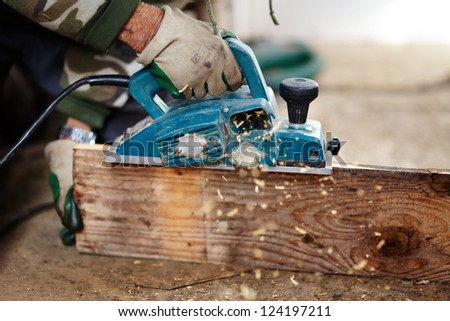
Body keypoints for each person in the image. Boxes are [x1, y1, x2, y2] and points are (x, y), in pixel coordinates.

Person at [1, 0, 243, 244]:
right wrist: (146, 27)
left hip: (75, 26)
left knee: (138, 152)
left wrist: (77, 131)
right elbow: (138, 23)